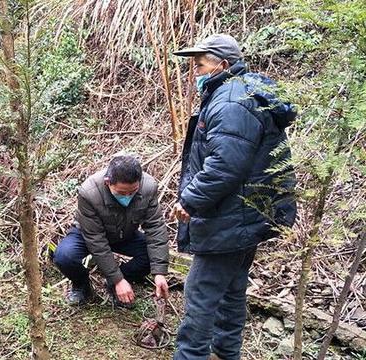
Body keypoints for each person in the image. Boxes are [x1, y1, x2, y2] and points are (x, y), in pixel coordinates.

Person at [172, 34, 297, 360]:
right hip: (245, 215)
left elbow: (224, 167)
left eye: (200, 64)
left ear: (222, 65)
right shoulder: (241, 93)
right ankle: (227, 353)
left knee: (200, 294)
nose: (194, 70)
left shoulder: (230, 102)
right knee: (232, 290)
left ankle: (192, 355)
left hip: (229, 217)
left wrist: (189, 199)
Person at [53, 155, 170, 308]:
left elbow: (156, 228)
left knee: (152, 256)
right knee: (65, 256)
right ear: (108, 182)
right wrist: (117, 279)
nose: (128, 196)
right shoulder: (89, 192)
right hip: (88, 234)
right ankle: (82, 286)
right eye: (122, 193)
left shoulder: (148, 187)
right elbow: (96, 240)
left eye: (133, 192)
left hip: (125, 233)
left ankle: (117, 282)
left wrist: (159, 273)